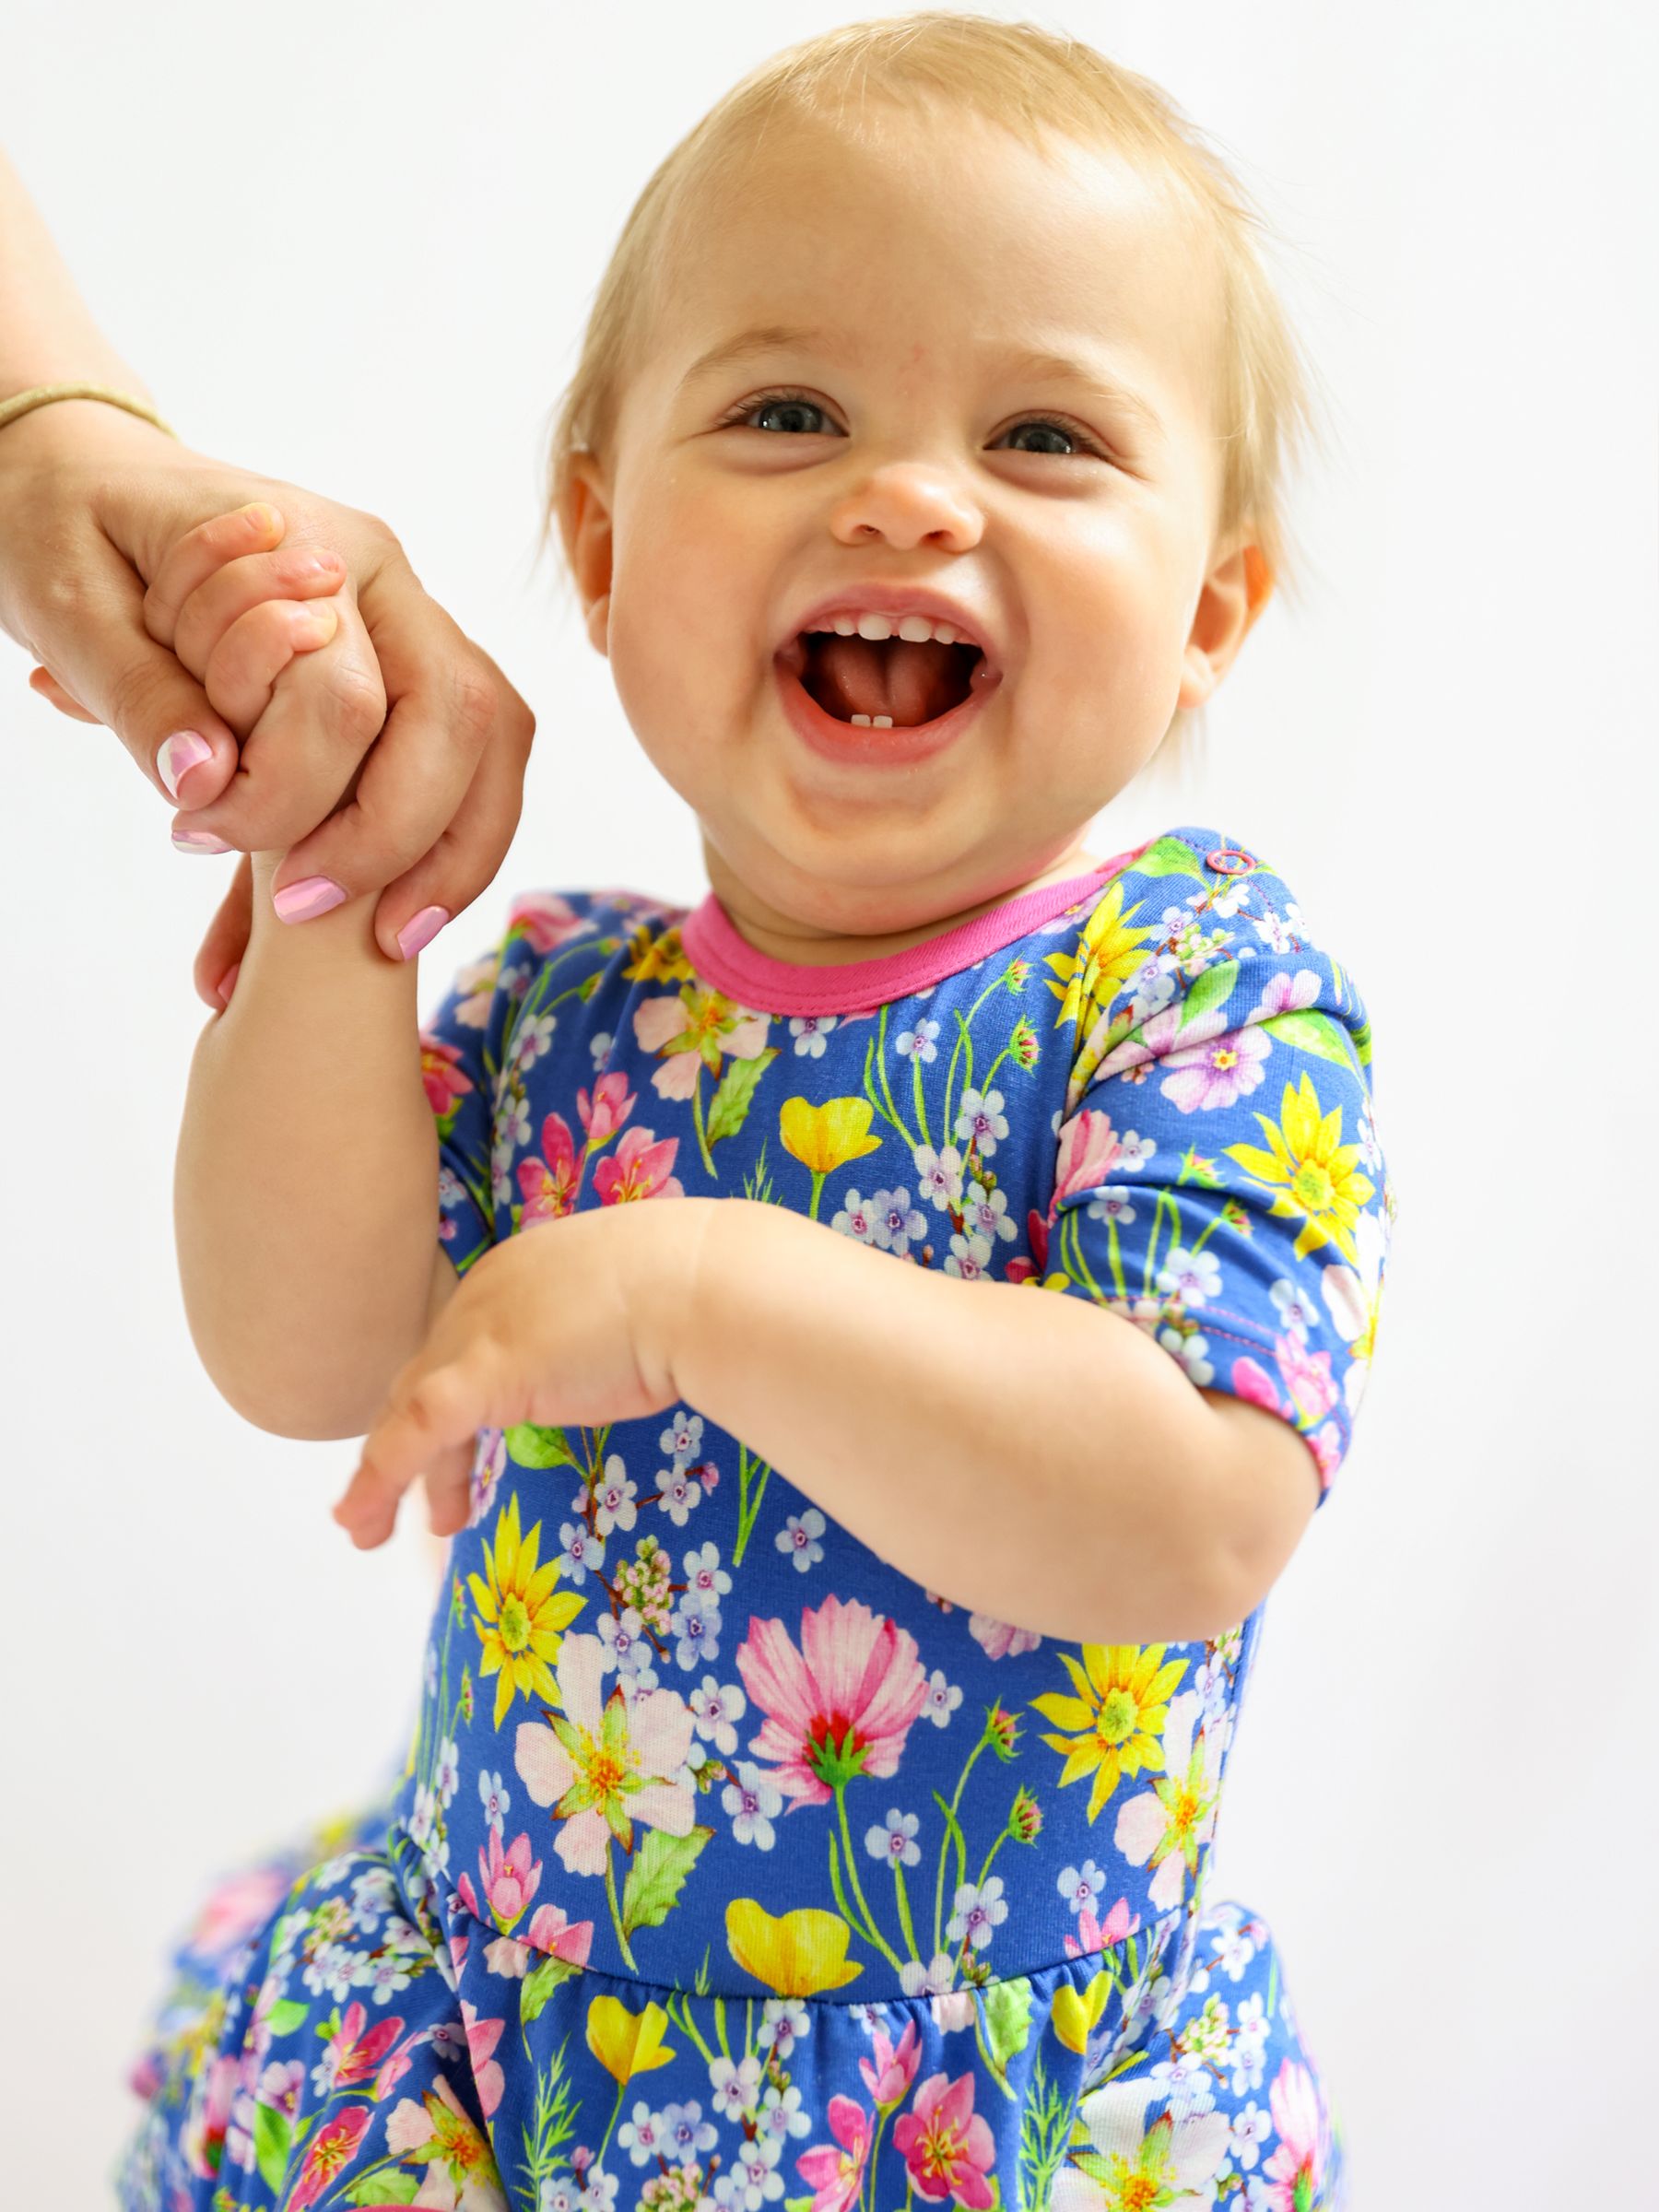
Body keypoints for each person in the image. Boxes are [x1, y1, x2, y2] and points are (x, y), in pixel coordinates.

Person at [124, 18, 1388, 2210]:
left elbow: (1191, 1506)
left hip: (979, 2107)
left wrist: (695, 1285)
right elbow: (305, 1349)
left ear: (1209, 609)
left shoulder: (1191, 988)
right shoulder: (562, 1002)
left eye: (1045, 432)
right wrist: (329, 883)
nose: (904, 491)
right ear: (600, 549)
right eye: (789, 410)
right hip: (522, 2075)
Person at [0, 143, 535, 998]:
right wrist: (323, 802)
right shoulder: (554, 995)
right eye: (786, 418)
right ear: (597, 527)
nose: (839, 502)